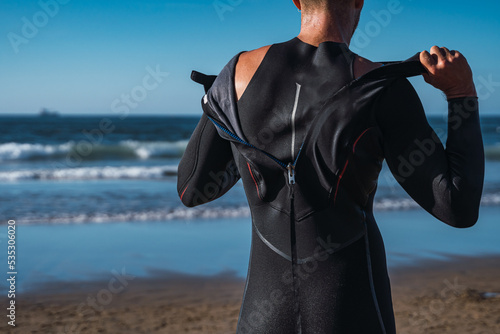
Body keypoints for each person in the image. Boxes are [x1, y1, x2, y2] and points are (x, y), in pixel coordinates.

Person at [177, 0, 484, 332]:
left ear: (296, 1)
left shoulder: (234, 77)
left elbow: (191, 189)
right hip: (353, 310)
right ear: (358, 2)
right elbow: (457, 206)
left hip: (262, 317)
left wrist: (227, 109)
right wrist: (460, 92)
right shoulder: (382, 88)